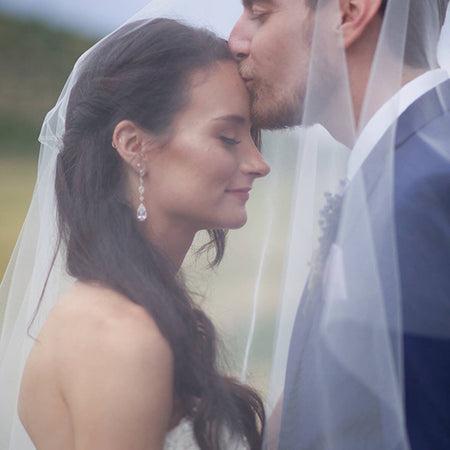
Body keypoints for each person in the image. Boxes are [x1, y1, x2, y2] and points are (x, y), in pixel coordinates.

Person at [0, 18, 271, 450]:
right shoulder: (120, 337)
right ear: (133, 145)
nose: (260, 163)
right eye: (228, 137)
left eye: (252, 137)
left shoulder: (123, 311)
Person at [229, 0, 450, 448]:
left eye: (260, 12)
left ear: (350, 13)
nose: (234, 39)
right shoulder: (405, 162)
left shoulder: (425, 187)